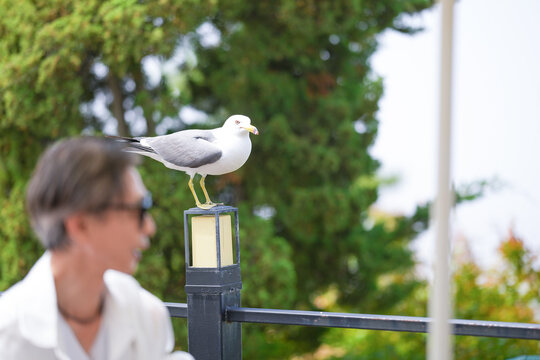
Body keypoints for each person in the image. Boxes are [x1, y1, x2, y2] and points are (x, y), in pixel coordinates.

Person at [0, 137, 193, 360]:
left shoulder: (146, 315)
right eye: (139, 210)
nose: (150, 227)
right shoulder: (8, 337)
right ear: (80, 225)